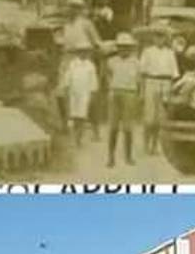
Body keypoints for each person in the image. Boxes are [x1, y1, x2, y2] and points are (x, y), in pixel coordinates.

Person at [139, 27, 179, 155]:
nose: (159, 39)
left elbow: (173, 74)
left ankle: (154, 146)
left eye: (162, 37)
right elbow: (142, 73)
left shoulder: (170, 53)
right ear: (153, 38)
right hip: (151, 82)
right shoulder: (148, 52)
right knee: (149, 118)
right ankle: (145, 145)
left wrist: (171, 90)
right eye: (157, 36)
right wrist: (141, 91)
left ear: (165, 39)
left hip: (165, 83)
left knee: (160, 119)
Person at [107, 32, 141, 167]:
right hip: (115, 93)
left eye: (127, 47)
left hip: (130, 93)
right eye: (121, 47)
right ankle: (111, 157)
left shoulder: (136, 63)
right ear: (118, 47)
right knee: (113, 127)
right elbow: (108, 77)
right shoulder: (111, 61)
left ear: (131, 48)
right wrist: (111, 90)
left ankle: (128, 156)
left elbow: (139, 81)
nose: (124, 50)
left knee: (128, 128)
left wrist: (138, 95)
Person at [59, 43, 99, 147]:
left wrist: (93, 94)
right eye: (80, 51)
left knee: (82, 117)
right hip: (73, 92)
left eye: (85, 51)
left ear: (87, 52)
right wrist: (66, 89)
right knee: (73, 116)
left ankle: (78, 138)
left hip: (85, 93)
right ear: (77, 53)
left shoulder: (90, 65)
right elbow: (68, 78)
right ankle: (74, 137)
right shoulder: (72, 64)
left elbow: (93, 81)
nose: (83, 53)